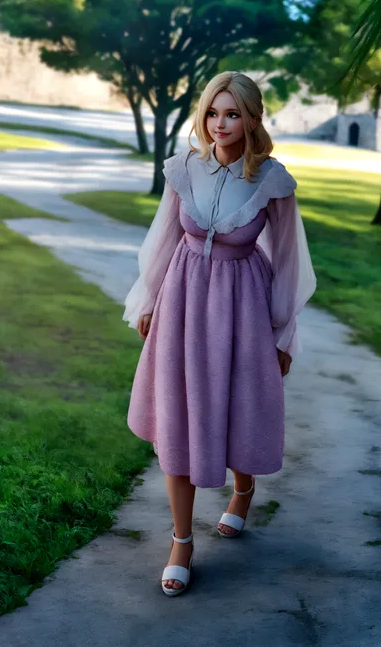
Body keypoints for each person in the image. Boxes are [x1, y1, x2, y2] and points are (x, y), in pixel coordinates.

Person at [123, 71, 316, 597]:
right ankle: (182, 541)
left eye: (232, 113)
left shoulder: (272, 180)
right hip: (183, 301)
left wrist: (281, 333)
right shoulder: (184, 167)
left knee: (237, 409)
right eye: (212, 112)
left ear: (252, 118)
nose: (220, 123)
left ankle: (243, 488)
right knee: (180, 416)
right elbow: (163, 235)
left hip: (243, 306)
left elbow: (290, 263)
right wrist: (148, 299)